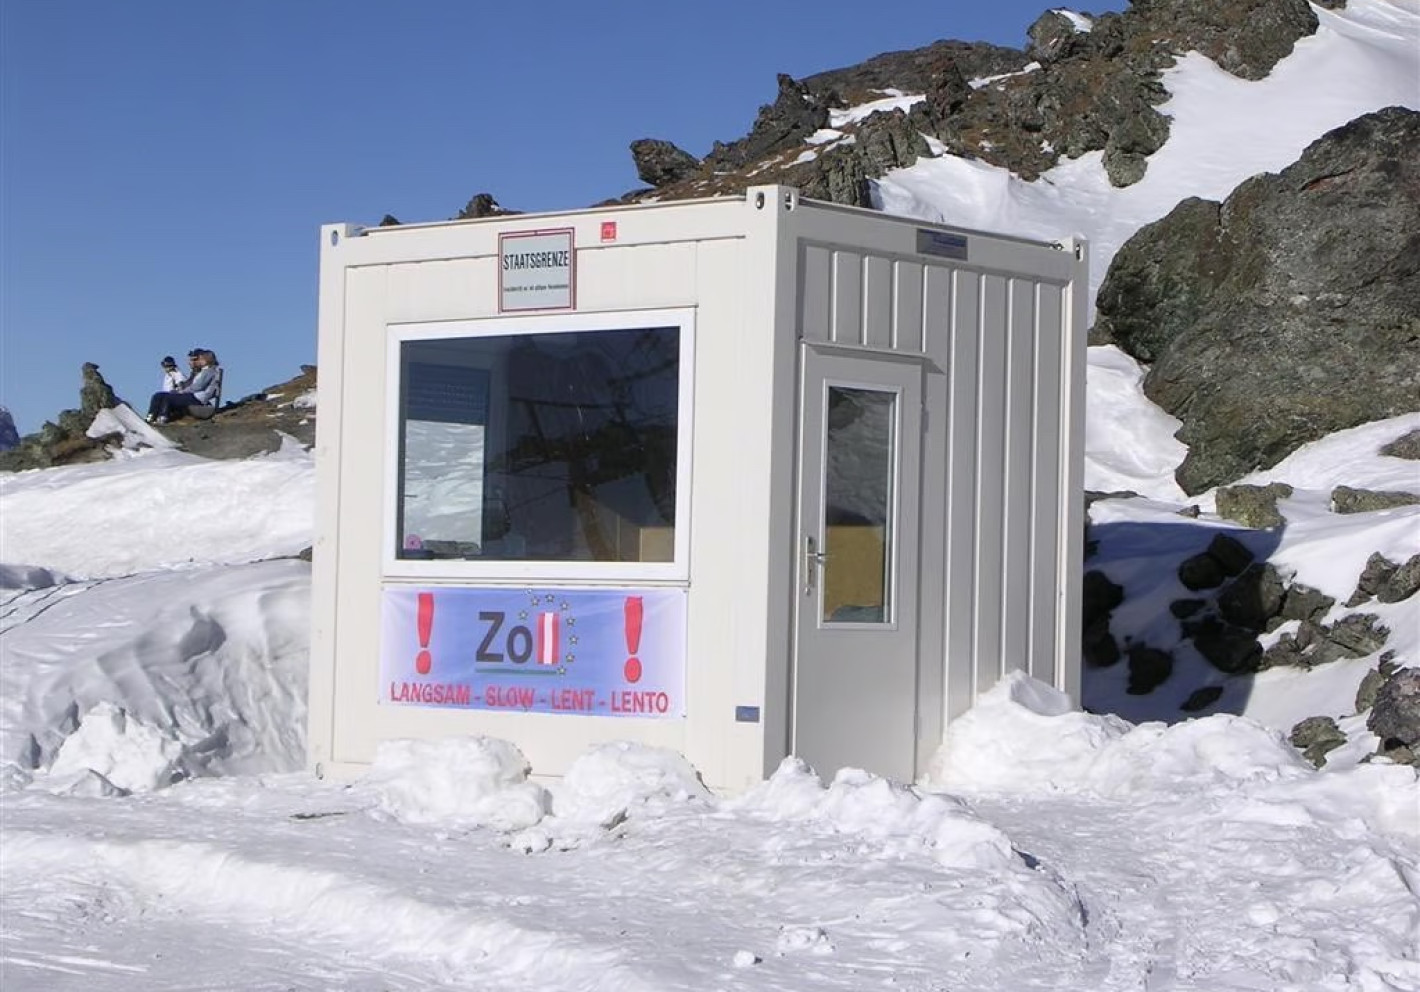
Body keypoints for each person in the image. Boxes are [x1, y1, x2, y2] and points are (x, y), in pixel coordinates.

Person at [147, 349, 221, 424]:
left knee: (168, 398)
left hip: (198, 397)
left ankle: (162, 418)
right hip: (193, 395)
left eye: (201, 359)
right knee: (158, 395)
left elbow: (197, 387)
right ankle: (150, 416)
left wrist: (181, 392)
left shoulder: (209, 371)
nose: (199, 361)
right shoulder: (204, 371)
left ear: (207, 360)